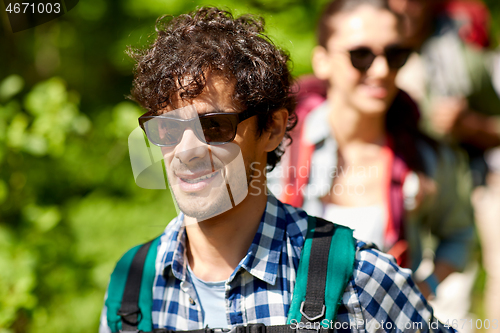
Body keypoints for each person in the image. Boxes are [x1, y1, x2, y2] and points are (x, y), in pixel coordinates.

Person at [99, 7, 456, 333]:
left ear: (271, 129)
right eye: (168, 130)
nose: (187, 151)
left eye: (214, 127)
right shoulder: (130, 285)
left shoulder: (360, 278)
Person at [268, 0, 474, 303]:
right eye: (361, 55)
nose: (381, 70)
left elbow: (459, 236)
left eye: (395, 55)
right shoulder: (278, 147)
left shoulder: (425, 158)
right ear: (322, 61)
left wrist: (421, 291)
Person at [389, 0, 500, 323]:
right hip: (398, 191)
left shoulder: (463, 53)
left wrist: (467, 125)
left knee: (460, 297)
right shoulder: (365, 50)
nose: (404, 6)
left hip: (470, 182)